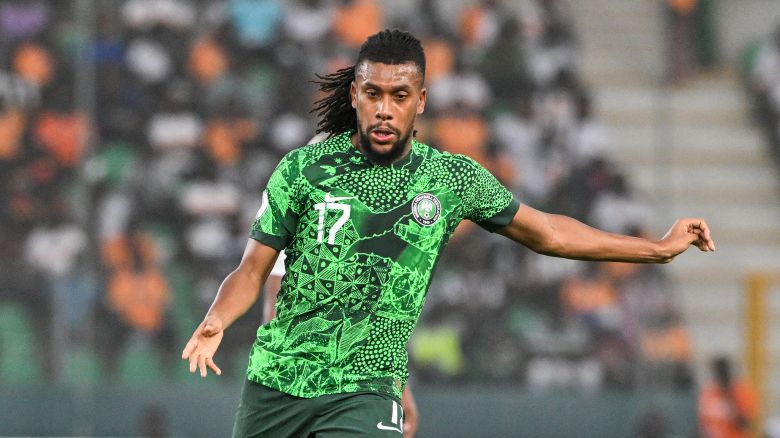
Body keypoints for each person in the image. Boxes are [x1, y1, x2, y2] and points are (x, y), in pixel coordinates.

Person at [182, 29, 715, 437]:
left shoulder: (451, 179)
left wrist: (657, 249)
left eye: (399, 94)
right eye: (372, 93)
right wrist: (216, 319)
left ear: (422, 100)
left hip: (366, 389)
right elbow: (253, 270)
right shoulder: (303, 169)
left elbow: (549, 233)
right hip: (275, 384)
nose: (385, 108)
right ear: (354, 95)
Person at [698, 355, 759, 438]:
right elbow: (703, 424)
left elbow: (745, 424)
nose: (720, 377)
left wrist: (730, 396)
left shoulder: (742, 392)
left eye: (723, 373)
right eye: (718, 373)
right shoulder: (708, 392)